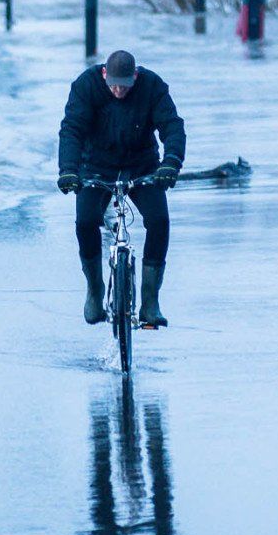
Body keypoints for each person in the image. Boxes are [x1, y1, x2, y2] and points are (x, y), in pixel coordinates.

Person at [57, 49, 185, 327]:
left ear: (135, 77)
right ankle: (94, 289)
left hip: (142, 165)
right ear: (104, 74)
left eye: (124, 86)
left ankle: (150, 301)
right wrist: (68, 170)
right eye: (113, 84)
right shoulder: (86, 86)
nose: (118, 91)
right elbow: (72, 130)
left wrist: (170, 164)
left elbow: (172, 127)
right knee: (85, 222)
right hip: (95, 165)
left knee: (159, 221)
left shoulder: (152, 87)